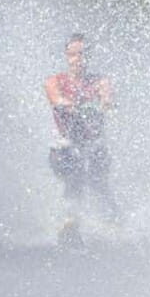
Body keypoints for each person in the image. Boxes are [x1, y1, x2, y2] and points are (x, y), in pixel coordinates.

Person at [44, 33, 119, 236]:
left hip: (93, 144)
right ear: (67, 56)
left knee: (99, 182)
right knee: (74, 170)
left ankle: (113, 220)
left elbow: (107, 99)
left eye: (83, 54)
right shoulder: (55, 81)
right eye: (74, 54)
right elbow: (56, 99)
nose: (79, 59)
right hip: (64, 146)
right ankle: (71, 218)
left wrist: (104, 104)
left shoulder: (100, 81)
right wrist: (72, 105)